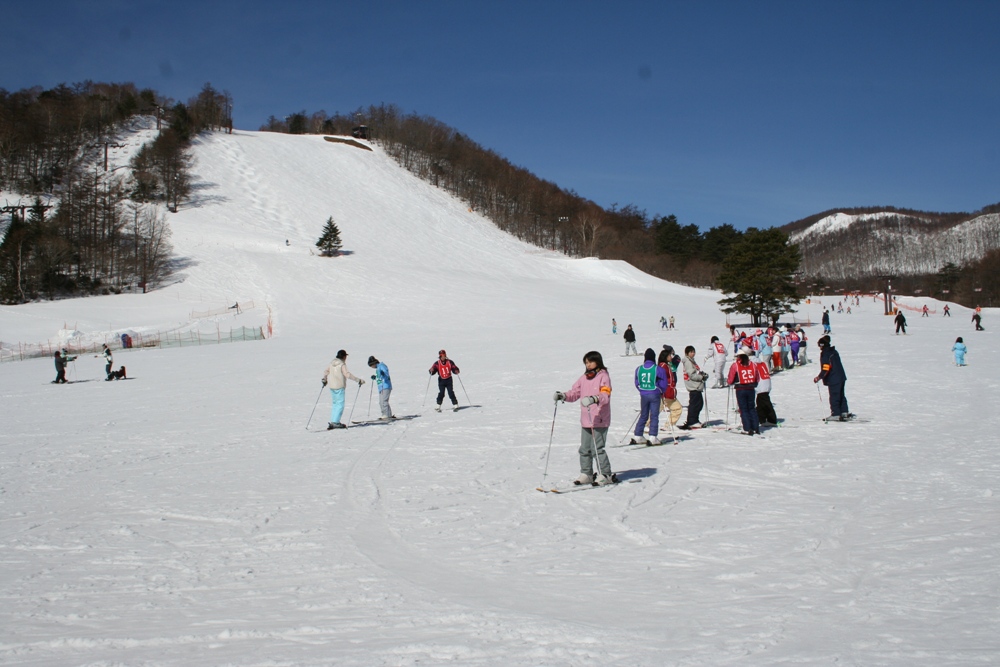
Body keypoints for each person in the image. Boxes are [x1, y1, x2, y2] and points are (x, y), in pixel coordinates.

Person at [553, 351, 617, 486]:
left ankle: (605, 474)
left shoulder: (603, 376)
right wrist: (563, 396)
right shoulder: (584, 378)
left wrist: (594, 399)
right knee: (585, 448)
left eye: (590, 362)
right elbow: (575, 392)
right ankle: (586, 473)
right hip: (586, 420)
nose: (588, 365)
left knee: (597, 448)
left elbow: (605, 395)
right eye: (586, 363)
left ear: (597, 361)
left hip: (599, 418)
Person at [630, 348, 668, 445]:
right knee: (654, 415)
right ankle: (653, 437)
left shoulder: (639, 369)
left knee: (643, 414)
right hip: (655, 394)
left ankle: (638, 435)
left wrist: (642, 390)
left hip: (643, 394)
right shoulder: (658, 369)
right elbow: (664, 383)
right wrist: (661, 391)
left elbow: (637, 382)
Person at [322, 349, 364, 429]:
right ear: (344, 356)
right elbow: (347, 375)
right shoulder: (342, 364)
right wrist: (358, 380)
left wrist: (325, 379)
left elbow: (326, 371)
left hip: (332, 386)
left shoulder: (331, 363)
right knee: (340, 404)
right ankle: (336, 422)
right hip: (339, 386)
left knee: (335, 403)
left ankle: (333, 420)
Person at [813, 335, 851, 421]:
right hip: (841, 376)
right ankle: (844, 411)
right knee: (841, 395)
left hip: (834, 378)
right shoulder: (833, 351)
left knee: (834, 396)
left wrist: (819, 377)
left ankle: (836, 413)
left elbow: (826, 367)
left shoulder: (825, 354)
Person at [727, 353, 760, 435]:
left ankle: (747, 428)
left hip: (740, 389)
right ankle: (755, 427)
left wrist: (729, 382)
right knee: (752, 408)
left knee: (743, 409)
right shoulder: (753, 364)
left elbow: (730, 378)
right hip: (751, 388)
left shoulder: (736, 365)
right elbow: (757, 377)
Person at [678, 346, 709, 430]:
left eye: (693, 352)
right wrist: (701, 377)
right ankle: (692, 421)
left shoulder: (691, 361)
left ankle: (694, 420)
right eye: (691, 352)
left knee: (698, 404)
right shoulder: (688, 361)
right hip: (693, 386)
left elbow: (696, 372)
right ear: (687, 353)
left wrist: (702, 374)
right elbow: (691, 375)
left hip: (696, 386)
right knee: (695, 404)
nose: (693, 353)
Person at [658, 347, 683, 429]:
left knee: (677, 408)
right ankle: (645, 425)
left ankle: (669, 425)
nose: (671, 357)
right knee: (656, 410)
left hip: (670, 393)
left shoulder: (667, 365)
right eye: (669, 356)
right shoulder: (662, 366)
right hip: (664, 393)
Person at [754, 357, 778, 426]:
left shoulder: (753, 364)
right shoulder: (761, 363)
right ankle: (761, 419)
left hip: (762, 385)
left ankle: (772, 420)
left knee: (765, 403)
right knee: (760, 403)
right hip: (765, 382)